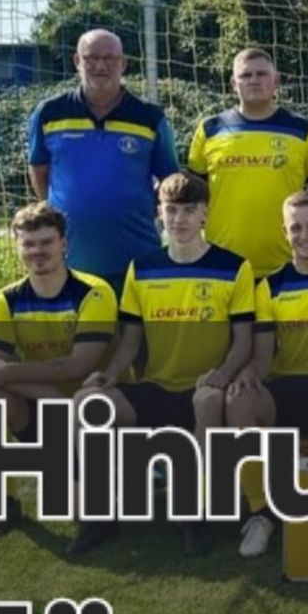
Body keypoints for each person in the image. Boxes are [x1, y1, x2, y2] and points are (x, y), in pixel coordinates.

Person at [69, 173, 255, 557]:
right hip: (156, 388)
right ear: (159, 214)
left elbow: (243, 340)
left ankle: (192, 515)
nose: (179, 219)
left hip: (205, 389)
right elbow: (131, 338)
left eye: (188, 210)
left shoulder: (234, 267)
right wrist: (110, 374)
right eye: (171, 210)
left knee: (206, 400)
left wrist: (224, 373)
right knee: (87, 404)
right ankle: (99, 514)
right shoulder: (142, 268)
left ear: (205, 214)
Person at [224, 189, 308, 558]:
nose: (304, 235)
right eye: (295, 228)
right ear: (284, 232)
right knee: (239, 399)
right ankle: (262, 513)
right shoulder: (270, 286)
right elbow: (263, 358)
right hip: (285, 386)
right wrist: (248, 374)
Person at [0, 201, 117, 537]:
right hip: (50, 411)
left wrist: (11, 373)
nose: (38, 251)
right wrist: (50, 397)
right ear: (17, 247)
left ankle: (115, 476)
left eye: (46, 242)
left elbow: (78, 366)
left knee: (82, 512)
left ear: (64, 243)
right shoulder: (4, 301)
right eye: (29, 244)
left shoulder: (94, 293)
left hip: (96, 416)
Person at [26, 29, 179, 288]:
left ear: (123, 64)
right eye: (91, 58)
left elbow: (170, 181)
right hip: (70, 259)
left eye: (109, 58)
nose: (100, 66)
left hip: (137, 256)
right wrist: (54, 214)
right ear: (77, 61)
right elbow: (38, 169)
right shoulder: (49, 113)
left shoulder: (149, 117)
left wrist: (141, 206)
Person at [186, 48, 308, 273]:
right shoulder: (210, 129)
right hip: (222, 265)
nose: (254, 80)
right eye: (246, 75)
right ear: (233, 84)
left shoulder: (303, 131)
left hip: (287, 266)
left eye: (261, 74)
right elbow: (193, 196)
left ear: (276, 80)